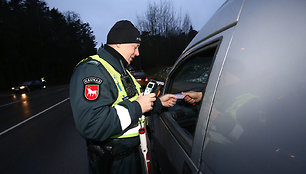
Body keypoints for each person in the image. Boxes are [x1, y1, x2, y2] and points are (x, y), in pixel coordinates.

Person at [69, 20, 177, 174]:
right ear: (119, 44)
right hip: (113, 163)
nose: (137, 53)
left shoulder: (122, 71)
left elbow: (135, 105)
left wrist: (159, 103)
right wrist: (138, 106)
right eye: (135, 47)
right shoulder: (92, 71)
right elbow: (92, 124)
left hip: (132, 155)